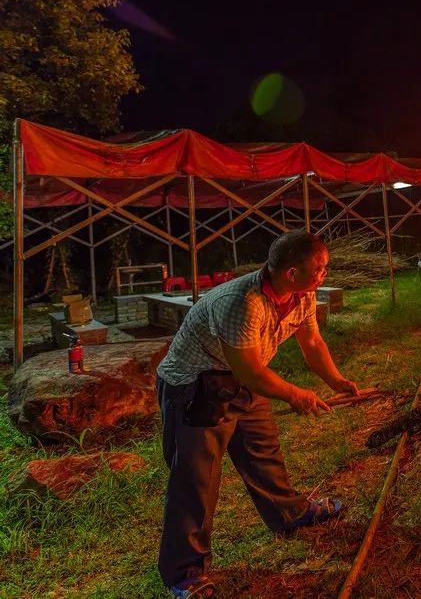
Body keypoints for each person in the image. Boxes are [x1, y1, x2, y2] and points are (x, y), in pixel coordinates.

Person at [155, 230, 358, 598]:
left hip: (242, 380)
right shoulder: (242, 302)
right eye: (319, 268)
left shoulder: (301, 295)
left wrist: (335, 379)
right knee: (197, 478)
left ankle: (289, 514)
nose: (324, 274)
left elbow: (312, 341)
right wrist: (295, 394)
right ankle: (184, 572)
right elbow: (248, 370)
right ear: (291, 272)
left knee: (262, 451)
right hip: (195, 384)